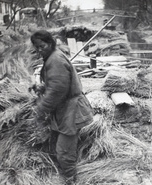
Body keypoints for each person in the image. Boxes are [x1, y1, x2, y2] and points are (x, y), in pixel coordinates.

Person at [30, 30, 93, 184]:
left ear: (51, 43)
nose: (39, 50)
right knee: (58, 145)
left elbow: (58, 91)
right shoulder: (52, 57)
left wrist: (41, 109)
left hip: (71, 110)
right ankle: (65, 174)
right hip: (64, 108)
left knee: (64, 151)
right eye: (36, 47)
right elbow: (58, 84)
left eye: (42, 46)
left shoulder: (55, 60)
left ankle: (71, 180)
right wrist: (43, 88)